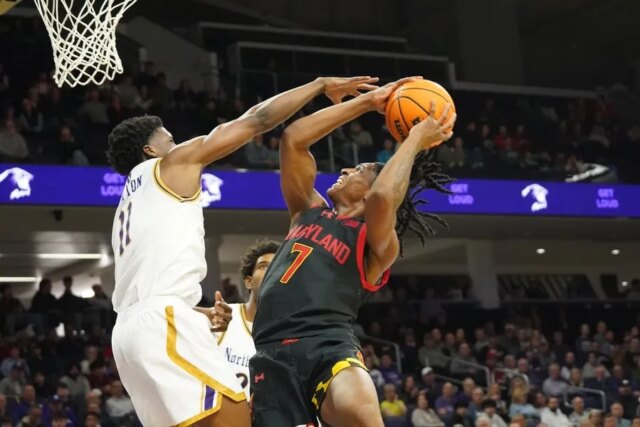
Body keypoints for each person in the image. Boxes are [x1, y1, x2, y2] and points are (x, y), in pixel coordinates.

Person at [107, 75, 375, 427]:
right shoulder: (169, 166)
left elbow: (142, 291)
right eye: (170, 140)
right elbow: (257, 120)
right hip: (161, 323)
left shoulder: (130, 201)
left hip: (129, 335)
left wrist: (195, 314)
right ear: (150, 151)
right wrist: (319, 86)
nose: (179, 145)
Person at [250, 76, 456, 427]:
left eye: (358, 169)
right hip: (270, 353)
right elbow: (293, 139)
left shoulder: (377, 244)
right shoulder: (307, 211)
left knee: (361, 416)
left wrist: (415, 139)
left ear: (367, 191)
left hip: (327, 344)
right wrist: (366, 102)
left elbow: (382, 198)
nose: (345, 169)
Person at [216, 239, 280, 399]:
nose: (271, 271)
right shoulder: (223, 316)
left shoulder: (293, 332)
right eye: (263, 266)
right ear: (249, 282)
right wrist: (203, 317)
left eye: (278, 266)